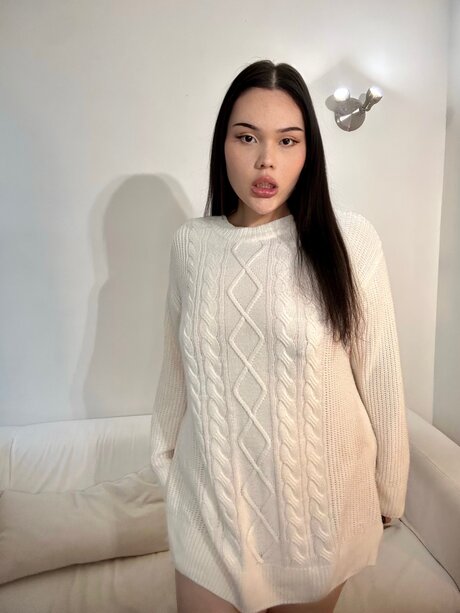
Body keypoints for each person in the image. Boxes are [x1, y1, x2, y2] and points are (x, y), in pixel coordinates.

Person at [150, 59, 410, 613]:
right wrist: (168, 472)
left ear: (308, 152)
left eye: (287, 141)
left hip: (317, 525)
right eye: (247, 137)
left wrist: (390, 490)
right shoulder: (192, 246)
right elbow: (177, 373)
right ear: (223, 145)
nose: (266, 160)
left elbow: (380, 375)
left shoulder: (350, 242)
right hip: (208, 516)